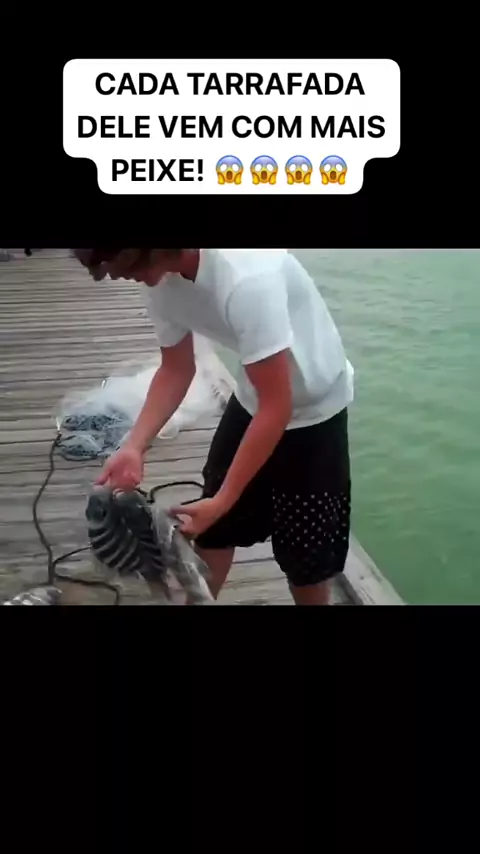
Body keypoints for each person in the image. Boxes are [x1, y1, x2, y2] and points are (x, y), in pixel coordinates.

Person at [73, 248, 354, 606]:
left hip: (316, 410)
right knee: (213, 527)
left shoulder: (248, 278)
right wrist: (134, 445)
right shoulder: (159, 279)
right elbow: (176, 369)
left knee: (306, 554)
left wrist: (224, 500)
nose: (118, 276)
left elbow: (277, 408)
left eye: (121, 265)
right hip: (255, 395)